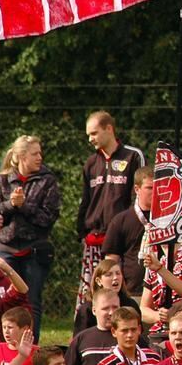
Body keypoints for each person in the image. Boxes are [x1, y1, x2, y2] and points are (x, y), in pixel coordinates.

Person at [0, 135, 59, 340]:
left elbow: (49, 218)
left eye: (40, 153)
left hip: (35, 251)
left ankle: (31, 347)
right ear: (21, 157)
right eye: (35, 153)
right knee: (4, 300)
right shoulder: (0, 180)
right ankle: (4, 345)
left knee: (31, 300)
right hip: (5, 250)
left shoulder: (48, 180)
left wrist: (23, 206)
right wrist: (10, 205)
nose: (40, 157)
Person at [76, 111, 145, 309]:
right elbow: (86, 200)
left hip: (122, 239)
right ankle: (89, 328)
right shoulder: (91, 163)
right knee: (92, 290)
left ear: (109, 129)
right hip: (95, 238)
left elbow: (139, 195)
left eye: (94, 133)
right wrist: (82, 230)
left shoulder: (132, 156)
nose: (90, 139)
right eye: (89, 134)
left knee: (121, 288)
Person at [101, 166, 154, 296]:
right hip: (131, 291)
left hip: (161, 290)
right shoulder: (120, 220)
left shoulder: (167, 220)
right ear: (137, 189)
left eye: (158, 188)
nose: (155, 192)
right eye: (150, 188)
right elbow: (111, 261)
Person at [65, 288, 125, 365]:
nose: (111, 312)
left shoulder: (130, 337)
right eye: (105, 308)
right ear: (94, 310)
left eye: (115, 307)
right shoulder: (81, 338)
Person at [72, 260, 140, 335]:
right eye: (109, 274)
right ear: (98, 281)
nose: (115, 277)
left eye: (118, 273)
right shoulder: (87, 308)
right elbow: (79, 339)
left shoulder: (130, 305)